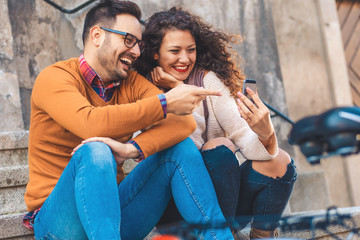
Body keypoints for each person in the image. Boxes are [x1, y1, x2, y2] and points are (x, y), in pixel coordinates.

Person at [22, 1, 235, 239]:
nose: (135, 51)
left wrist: (131, 149)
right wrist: (164, 103)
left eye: (138, 44)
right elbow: (91, 123)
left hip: (114, 215)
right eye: (128, 40)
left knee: (180, 147)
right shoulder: (55, 77)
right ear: (97, 35)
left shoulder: (130, 83)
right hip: (58, 221)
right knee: (96, 150)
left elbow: (184, 124)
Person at [134, 7, 297, 239]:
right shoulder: (142, 88)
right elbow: (182, 145)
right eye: (174, 51)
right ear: (155, 54)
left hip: (222, 201)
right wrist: (180, 90)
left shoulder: (207, 80)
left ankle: (260, 235)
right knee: (218, 148)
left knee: (279, 161)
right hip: (175, 205)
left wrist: (265, 133)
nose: (185, 59)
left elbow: (245, 139)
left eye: (190, 50)